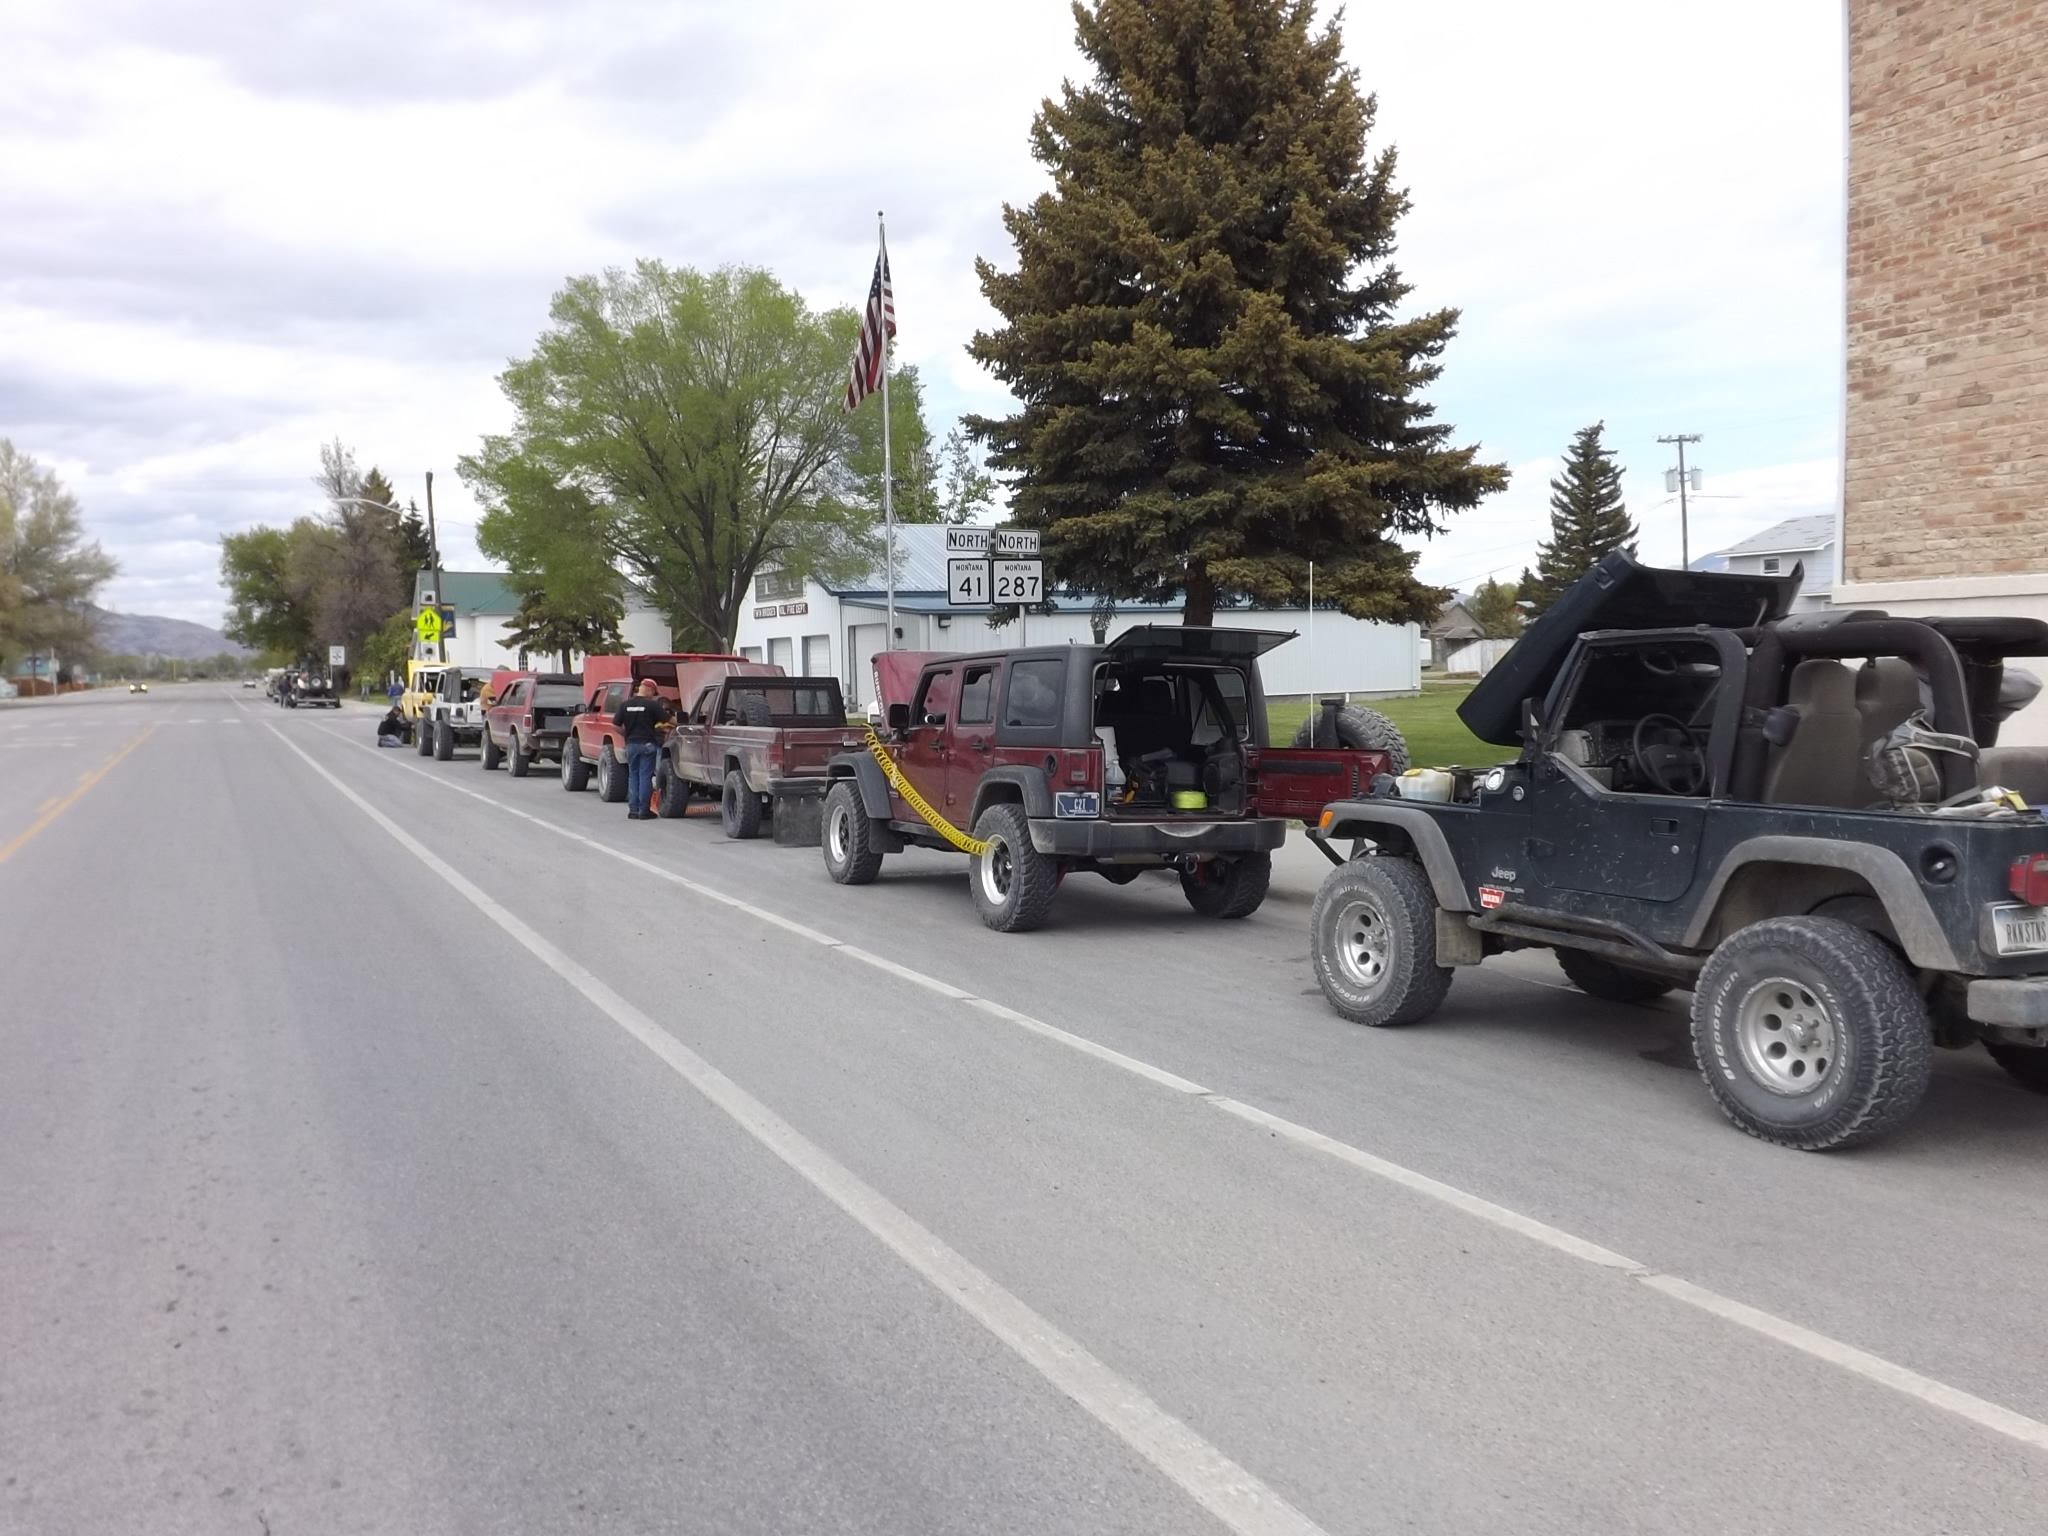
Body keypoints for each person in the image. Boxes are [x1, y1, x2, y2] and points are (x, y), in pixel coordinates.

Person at [612, 678, 672, 819]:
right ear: (649, 689)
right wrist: (681, 723)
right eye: (653, 693)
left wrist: (627, 735)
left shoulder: (625, 704)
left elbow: (614, 725)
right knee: (645, 776)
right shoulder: (652, 705)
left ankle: (633, 811)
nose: (653, 696)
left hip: (631, 745)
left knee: (633, 776)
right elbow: (670, 720)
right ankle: (644, 811)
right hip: (647, 745)